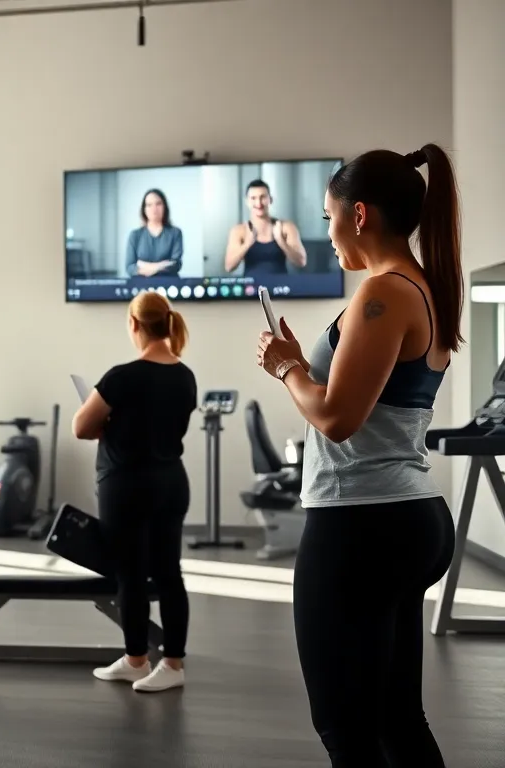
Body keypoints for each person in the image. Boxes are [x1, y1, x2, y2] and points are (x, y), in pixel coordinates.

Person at [257, 144, 461, 767]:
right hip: (406, 520)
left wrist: (288, 366)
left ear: (360, 215)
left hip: (361, 526)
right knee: (397, 720)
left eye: (328, 217)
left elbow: (337, 419)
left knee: (346, 728)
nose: (328, 230)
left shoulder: (383, 294)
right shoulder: (420, 287)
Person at [72, 291, 195, 693]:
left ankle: (137, 660)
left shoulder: (122, 376)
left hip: (126, 485)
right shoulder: (185, 375)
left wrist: (110, 426)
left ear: (135, 324)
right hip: (171, 482)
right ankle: (172, 664)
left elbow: (80, 426)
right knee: (169, 573)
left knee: (131, 575)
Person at [224, 179, 308, 275]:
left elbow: (301, 262)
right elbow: (229, 267)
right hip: (252, 288)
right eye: (253, 198)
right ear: (247, 202)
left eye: (262, 197)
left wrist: (280, 240)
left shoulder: (286, 227)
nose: (258, 203)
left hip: (279, 288)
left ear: (270, 199)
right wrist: (247, 243)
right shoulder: (239, 231)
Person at [125, 189, 184, 277]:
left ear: (164, 207)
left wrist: (144, 265)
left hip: (168, 285)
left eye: (158, 204)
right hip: (141, 286)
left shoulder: (175, 233)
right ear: (144, 209)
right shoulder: (135, 235)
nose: (154, 208)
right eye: (149, 205)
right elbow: (130, 267)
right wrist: (161, 265)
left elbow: (175, 265)